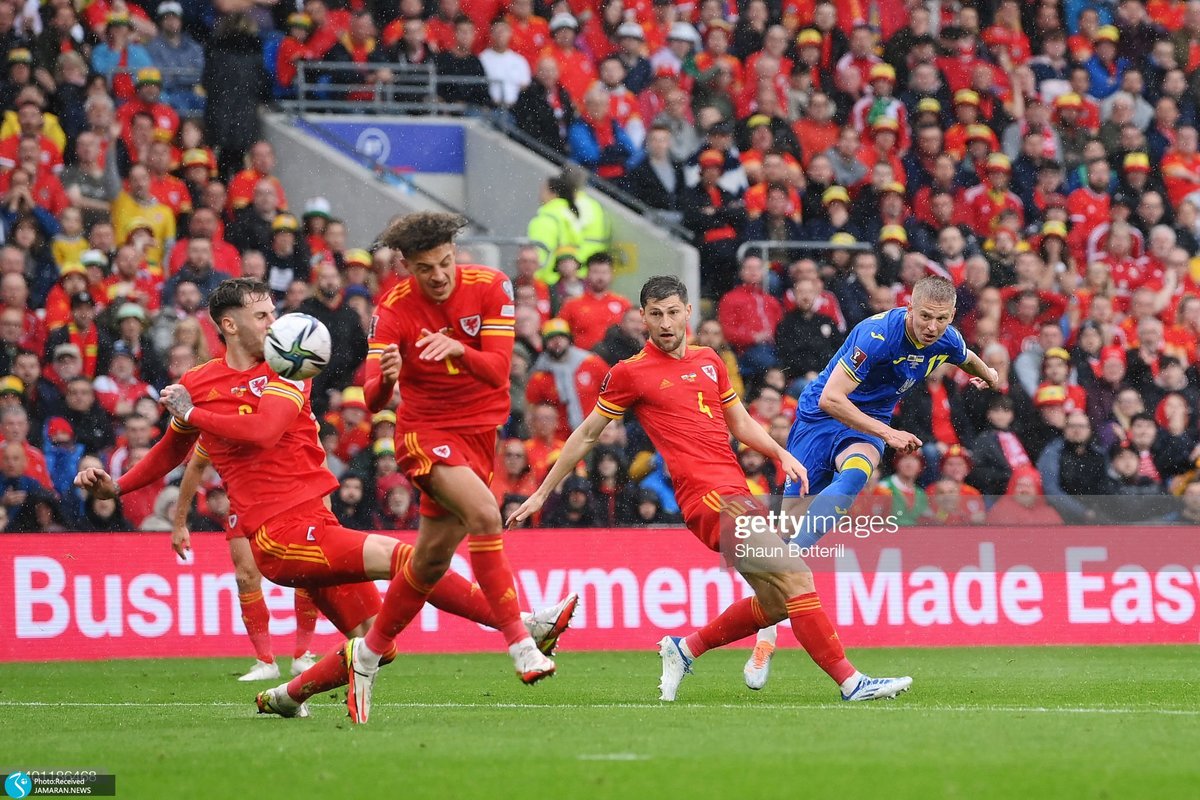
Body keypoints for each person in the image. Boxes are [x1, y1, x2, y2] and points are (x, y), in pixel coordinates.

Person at [75, 277, 577, 719]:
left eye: (273, 311)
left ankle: (286, 696)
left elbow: (264, 430)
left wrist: (193, 414)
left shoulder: (288, 369)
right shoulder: (199, 384)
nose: (274, 322)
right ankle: (521, 626)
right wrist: (118, 486)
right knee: (409, 559)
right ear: (229, 325)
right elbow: (172, 448)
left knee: (378, 641)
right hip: (279, 534)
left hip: (317, 523)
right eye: (262, 315)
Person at [508, 275, 913, 705]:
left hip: (735, 491)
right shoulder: (630, 373)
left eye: (673, 312)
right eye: (656, 314)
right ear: (643, 317)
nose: (665, 323)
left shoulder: (709, 360)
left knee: (776, 602)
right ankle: (851, 682)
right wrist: (542, 492)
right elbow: (588, 434)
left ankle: (685, 649)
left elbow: (739, 423)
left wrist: (780, 453)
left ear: (688, 312)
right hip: (708, 499)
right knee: (796, 575)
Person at [346, 212, 556, 724]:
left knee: (429, 564)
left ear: (455, 253)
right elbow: (373, 400)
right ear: (406, 267)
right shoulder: (392, 309)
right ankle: (520, 644)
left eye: (445, 263)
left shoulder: (492, 286)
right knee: (485, 514)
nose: (439, 275)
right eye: (425, 268)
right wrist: (387, 379)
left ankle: (366, 656)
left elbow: (499, 372)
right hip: (424, 435)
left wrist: (460, 348)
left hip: (479, 438)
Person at [745, 277, 1000, 685]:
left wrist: (990, 374)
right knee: (789, 525)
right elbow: (831, 398)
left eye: (941, 319)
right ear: (909, 307)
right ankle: (766, 635)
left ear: (952, 316)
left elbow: (966, 356)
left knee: (854, 475)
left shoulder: (946, 339)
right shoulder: (877, 335)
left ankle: (791, 556)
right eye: (925, 317)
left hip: (866, 427)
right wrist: (889, 433)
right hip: (818, 420)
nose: (932, 327)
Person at [171, 445, 319, 682]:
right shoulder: (218, 428)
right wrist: (180, 523)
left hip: (290, 496)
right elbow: (195, 466)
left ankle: (303, 654)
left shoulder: (285, 421)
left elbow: (314, 451)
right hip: (243, 502)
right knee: (245, 577)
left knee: (307, 569)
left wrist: (324, 504)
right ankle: (265, 660)